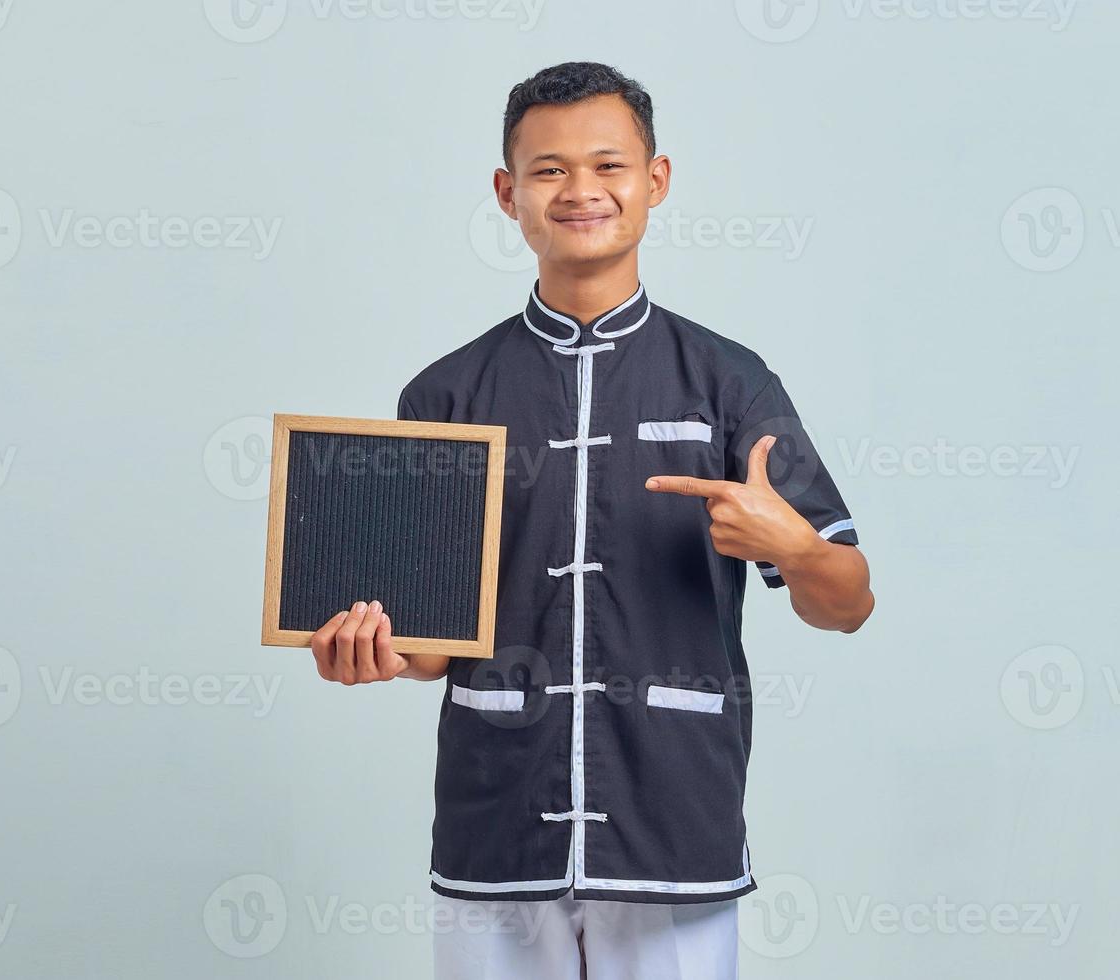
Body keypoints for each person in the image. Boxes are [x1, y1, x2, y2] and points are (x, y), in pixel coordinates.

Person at [308, 61, 874, 980]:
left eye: (608, 165)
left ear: (654, 182)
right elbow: (433, 646)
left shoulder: (730, 382)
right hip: (497, 827)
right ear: (507, 193)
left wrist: (798, 549)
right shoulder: (447, 393)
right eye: (548, 170)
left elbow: (848, 601)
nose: (581, 191)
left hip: (673, 821)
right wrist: (370, 649)